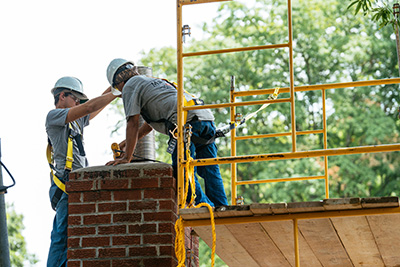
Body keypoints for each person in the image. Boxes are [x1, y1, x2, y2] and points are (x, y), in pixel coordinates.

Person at [105, 58, 228, 208]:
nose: (121, 95)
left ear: (119, 81)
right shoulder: (152, 82)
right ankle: (222, 207)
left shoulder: (130, 85)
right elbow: (149, 127)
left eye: (118, 90)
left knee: (183, 177)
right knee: (209, 169)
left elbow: (132, 122)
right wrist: (124, 144)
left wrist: (126, 158)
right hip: (204, 119)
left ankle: (208, 209)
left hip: (184, 125)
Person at [46, 76, 116, 267]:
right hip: (66, 183)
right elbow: (88, 107)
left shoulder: (76, 121)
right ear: (62, 96)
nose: (78, 102)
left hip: (77, 182)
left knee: (74, 235)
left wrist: (115, 85)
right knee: (62, 236)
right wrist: (117, 91)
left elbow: (95, 106)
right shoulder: (55, 116)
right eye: (75, 98)